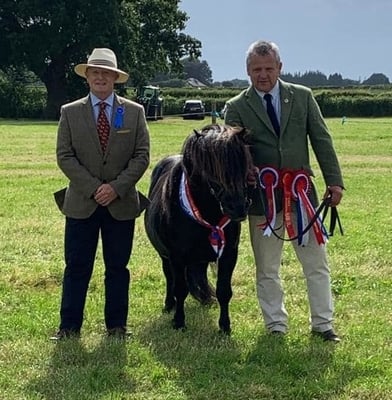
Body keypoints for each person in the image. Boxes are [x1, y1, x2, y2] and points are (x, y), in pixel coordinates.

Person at [225, 40, 344, 342]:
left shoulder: (303, 97)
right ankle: (275, 324)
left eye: (268, 68)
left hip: (302, 194)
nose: (263, 75)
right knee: (267, 267)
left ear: (280, 67)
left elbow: (321, 139)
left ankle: (323, 324)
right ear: (247, 71)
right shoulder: (236, 107)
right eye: (256, 70)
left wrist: (335, 181)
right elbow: (233, 154)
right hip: (261, 201)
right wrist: (248, 171)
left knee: (316, 263)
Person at [51, 48, 150, 340]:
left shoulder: (134, 112)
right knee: (76, 267)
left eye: (106, 73)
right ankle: (69, 328)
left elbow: (142, 156)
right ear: (88, 77)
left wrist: (115, 188)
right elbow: (64, 156)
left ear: (115, 78)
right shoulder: (69, 112)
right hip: (82, 203)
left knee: (118, 268)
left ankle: (117, 326)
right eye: (95, 72)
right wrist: (95, 188)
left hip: (121, 205)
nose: (100, 78)